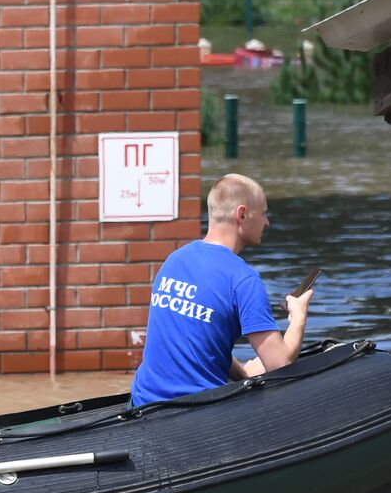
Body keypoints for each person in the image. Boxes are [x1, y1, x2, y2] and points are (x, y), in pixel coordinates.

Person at [130, 173, 313, 406]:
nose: (267, 222)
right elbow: (279, 365)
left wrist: (244, 375)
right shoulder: (243, 280)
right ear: (242, 214)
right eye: (264, 213)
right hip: (195, 412)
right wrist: (298, 316)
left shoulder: (174, 261)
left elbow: (200, 342)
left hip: (142, 402)